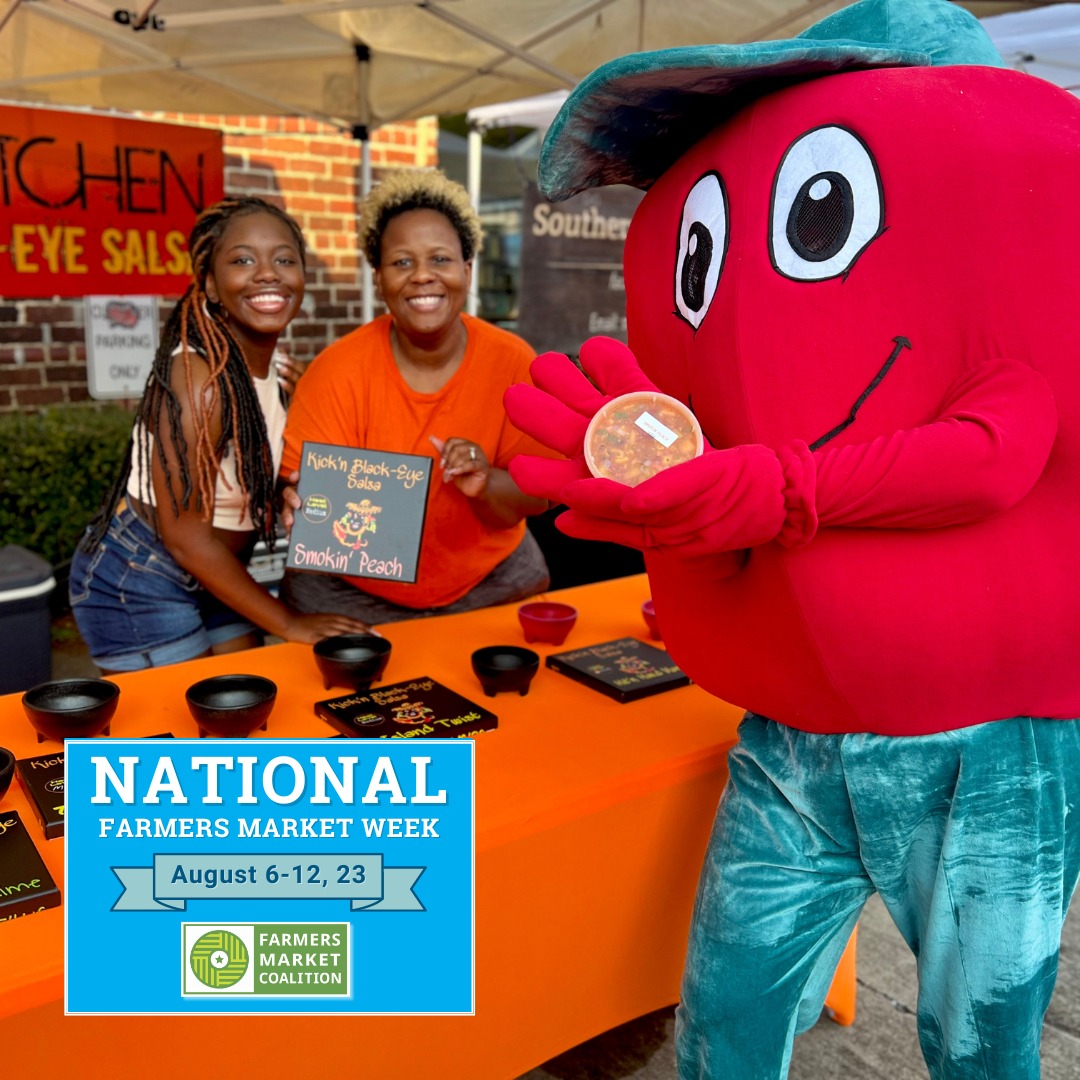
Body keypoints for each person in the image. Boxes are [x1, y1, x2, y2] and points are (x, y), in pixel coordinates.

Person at [503, 1, 1080, 1078]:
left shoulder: (1017, 184)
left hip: (993, 752)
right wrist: (675, 515)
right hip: (788, 742)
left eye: (820, 217)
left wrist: (777, 490)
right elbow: (720, 485)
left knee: (982, 1045)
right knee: (725, 1020)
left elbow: (999, 449)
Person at [70, 196, 370, 673]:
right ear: (210, 285)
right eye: (243, 259)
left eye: (284, 259)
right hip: (143, 572)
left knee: (247, 707)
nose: (268, 273)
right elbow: (185, 537)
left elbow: (244, 478)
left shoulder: (270, 373)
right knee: (178, 730)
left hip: (215, 571)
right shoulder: (200, 384)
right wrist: (289, 623)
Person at [279, 169, 551, 625]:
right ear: (379, 277)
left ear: (467, 269)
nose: (422, 276)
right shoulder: (336, 371)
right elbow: (307, 496)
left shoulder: (513, 362)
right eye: (402, 262)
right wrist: (296, 500)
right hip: (351, 595)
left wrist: (484, 482)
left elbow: (535, 498)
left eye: (440, 259)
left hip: (490, 581)